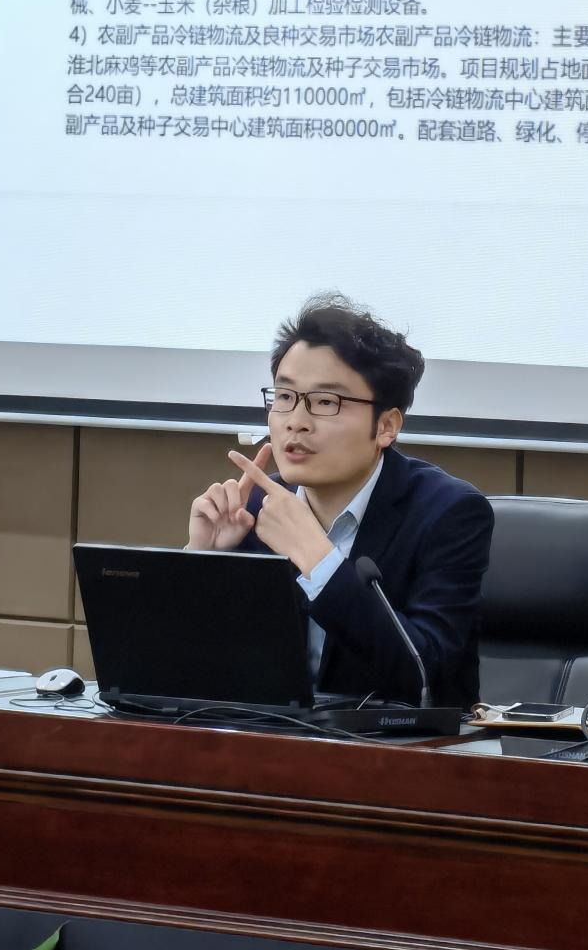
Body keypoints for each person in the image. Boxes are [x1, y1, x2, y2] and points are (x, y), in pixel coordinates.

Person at [187, 295, 494, 707]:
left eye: (325, 402)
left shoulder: (448, 513)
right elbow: (181, 674)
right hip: (268, 740)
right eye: (285, 397)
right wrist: (200, 562)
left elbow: (424, 676)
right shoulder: (250, 508)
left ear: (386, 426)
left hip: (392, 744)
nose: (296, 421)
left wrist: (318, 559)